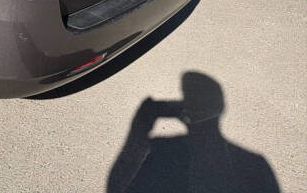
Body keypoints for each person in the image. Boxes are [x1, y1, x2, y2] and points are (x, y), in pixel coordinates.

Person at [108, 71, 279, 193]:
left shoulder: (161, 152)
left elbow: (118, 186)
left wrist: (139, 128)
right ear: (221, 108)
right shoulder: (254, 164)